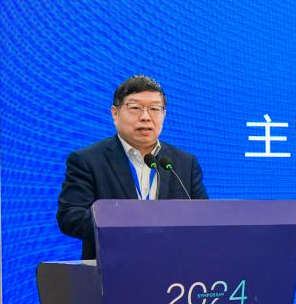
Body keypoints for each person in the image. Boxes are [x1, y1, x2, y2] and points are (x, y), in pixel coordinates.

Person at [57, 75, 208, 259]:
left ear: (164, 114)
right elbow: (70, 217)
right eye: (135, 108)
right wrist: (131, 222)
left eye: (154, 109)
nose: (145, 117)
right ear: (115, 113)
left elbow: (204, 217)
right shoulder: (87, 160)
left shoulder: (184, 163)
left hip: (175, 269)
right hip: (113, 268)